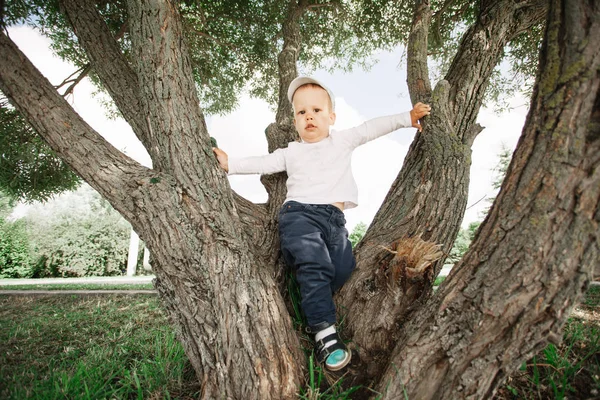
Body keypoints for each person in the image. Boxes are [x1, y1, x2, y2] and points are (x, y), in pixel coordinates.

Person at [213, 76, 431, 371]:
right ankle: (324, 333)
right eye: (302, 113)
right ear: (295, 121)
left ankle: (307, 286)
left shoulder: (342, 140)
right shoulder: (292, 151)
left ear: (331, 117)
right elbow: (263, 163)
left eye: (316, 110)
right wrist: (231, 164)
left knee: (341, 269)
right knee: (315, 264)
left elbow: (371, 128)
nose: (309, 117)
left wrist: (406, 117)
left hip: (334, 221)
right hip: (299, 215)